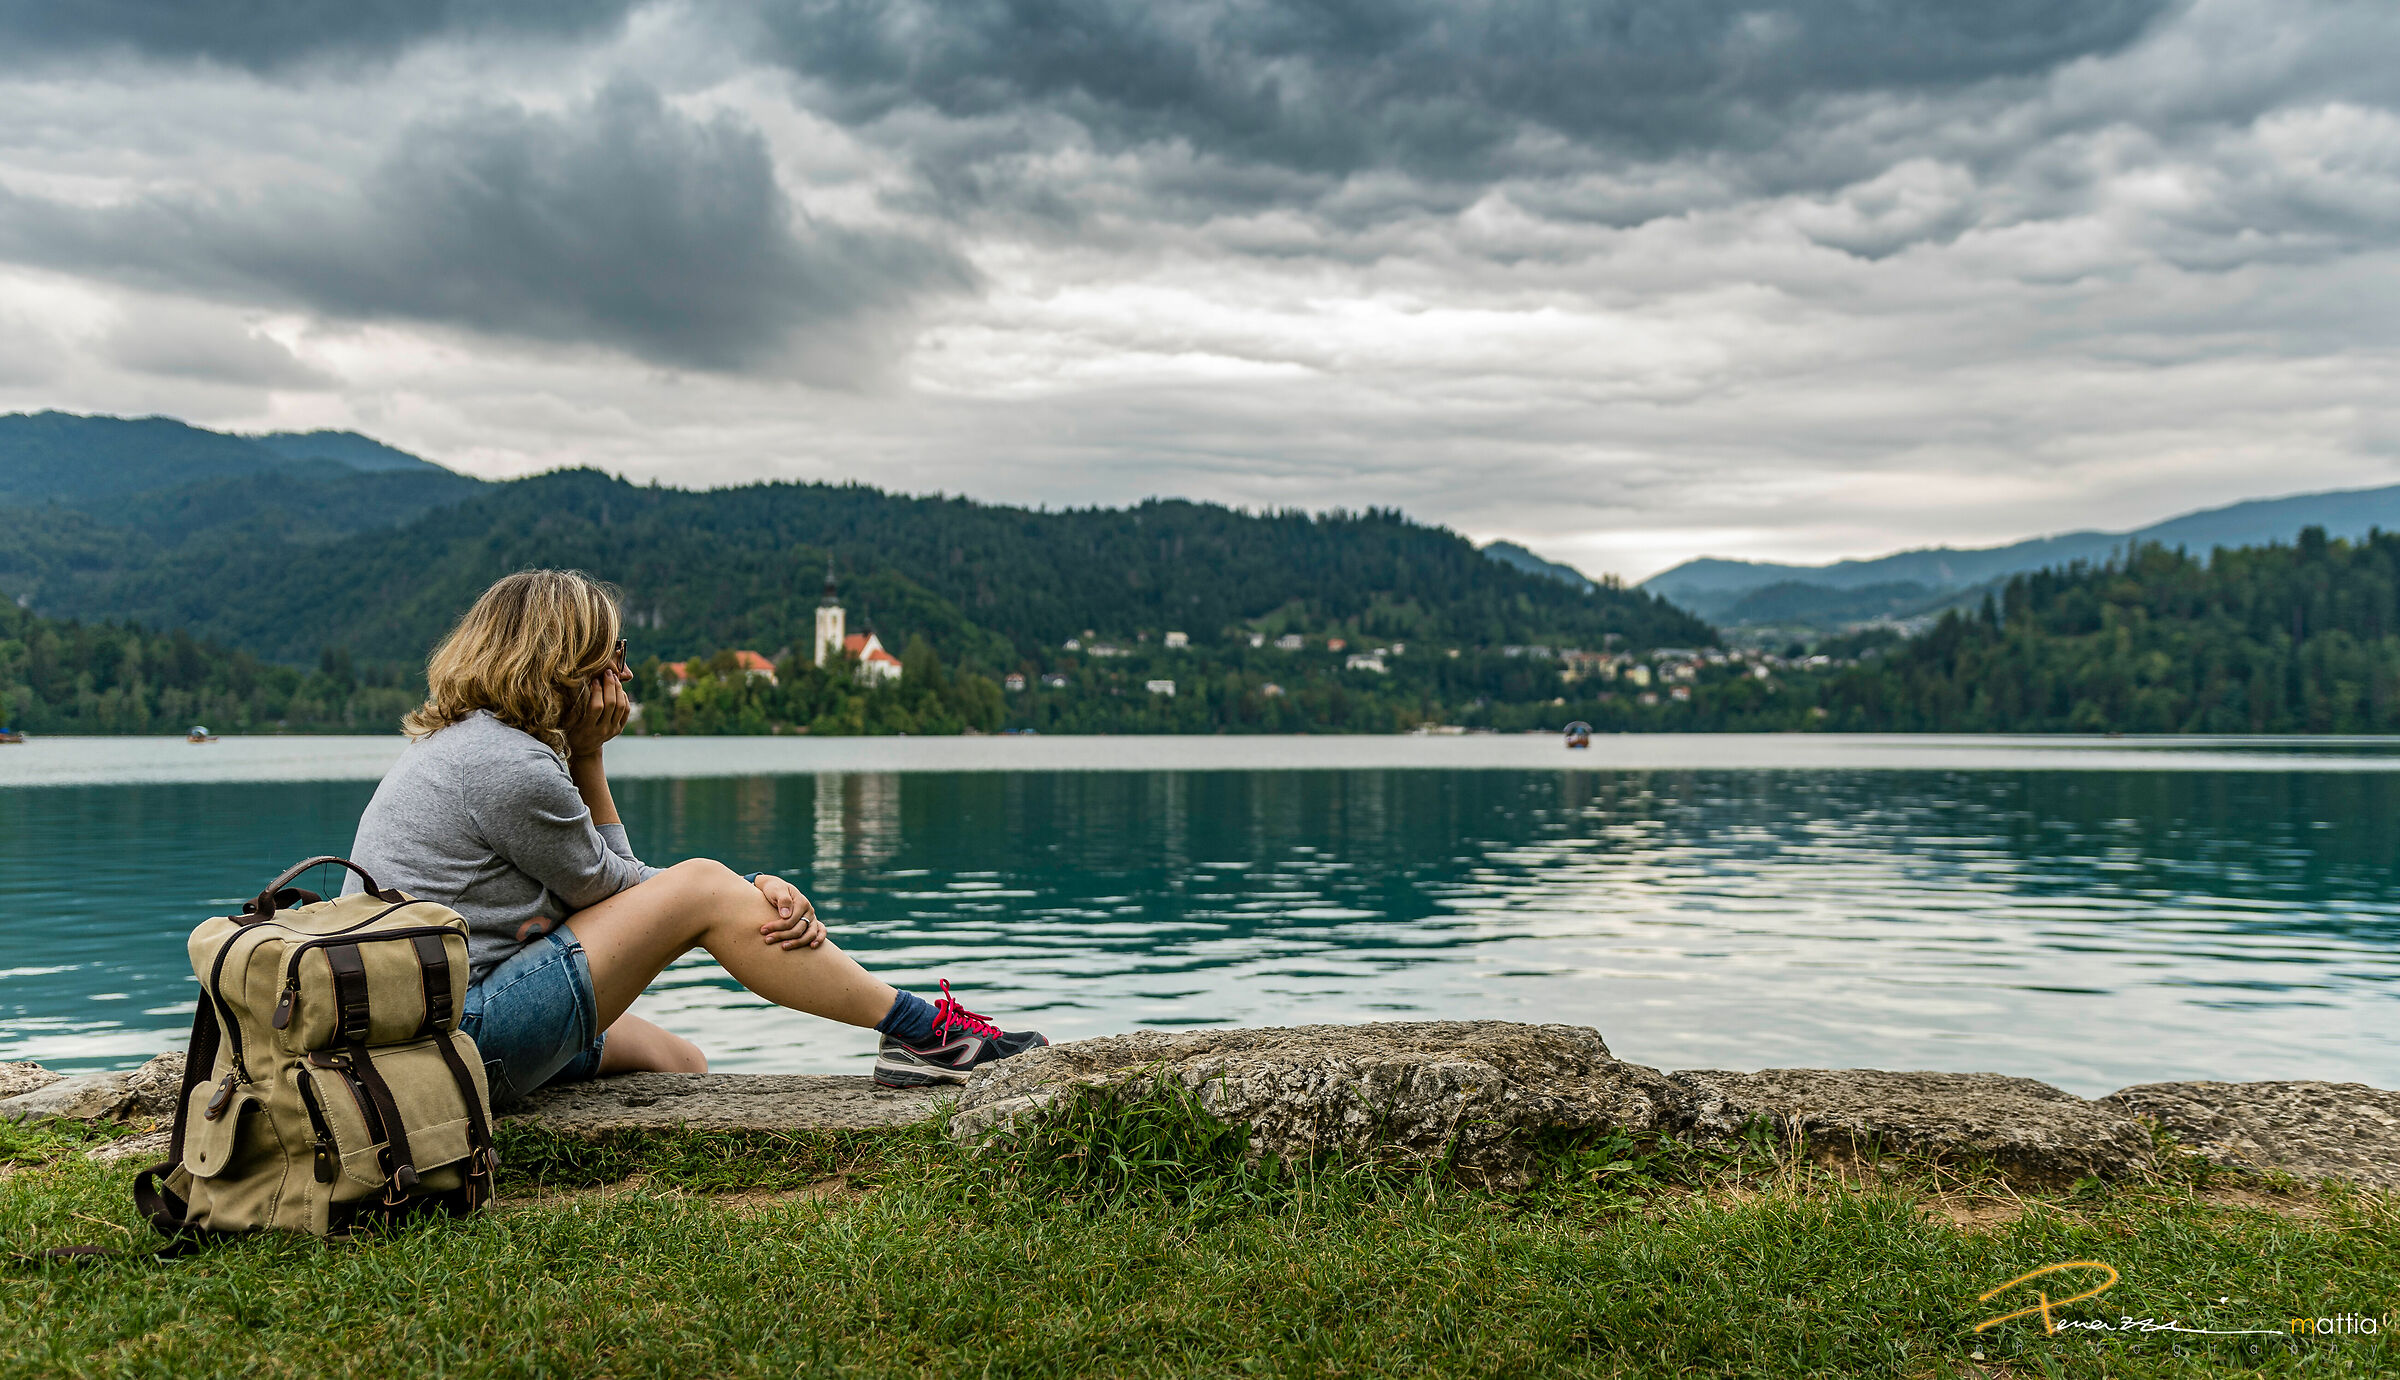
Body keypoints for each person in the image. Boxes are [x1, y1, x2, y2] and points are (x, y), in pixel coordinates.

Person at [346, 568, 1045, 1104]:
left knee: (684, 1064)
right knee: (706, 883)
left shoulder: (472, 745)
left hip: (427, 1029)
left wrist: (731, 895)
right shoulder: (509, 764)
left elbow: (619, 894)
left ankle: (919, 1034)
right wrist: (736, 890)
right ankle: (924, 1033)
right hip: (455, 1042)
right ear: (563, 662)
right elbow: (625, 888)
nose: (626, 673)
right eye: (612, 655)